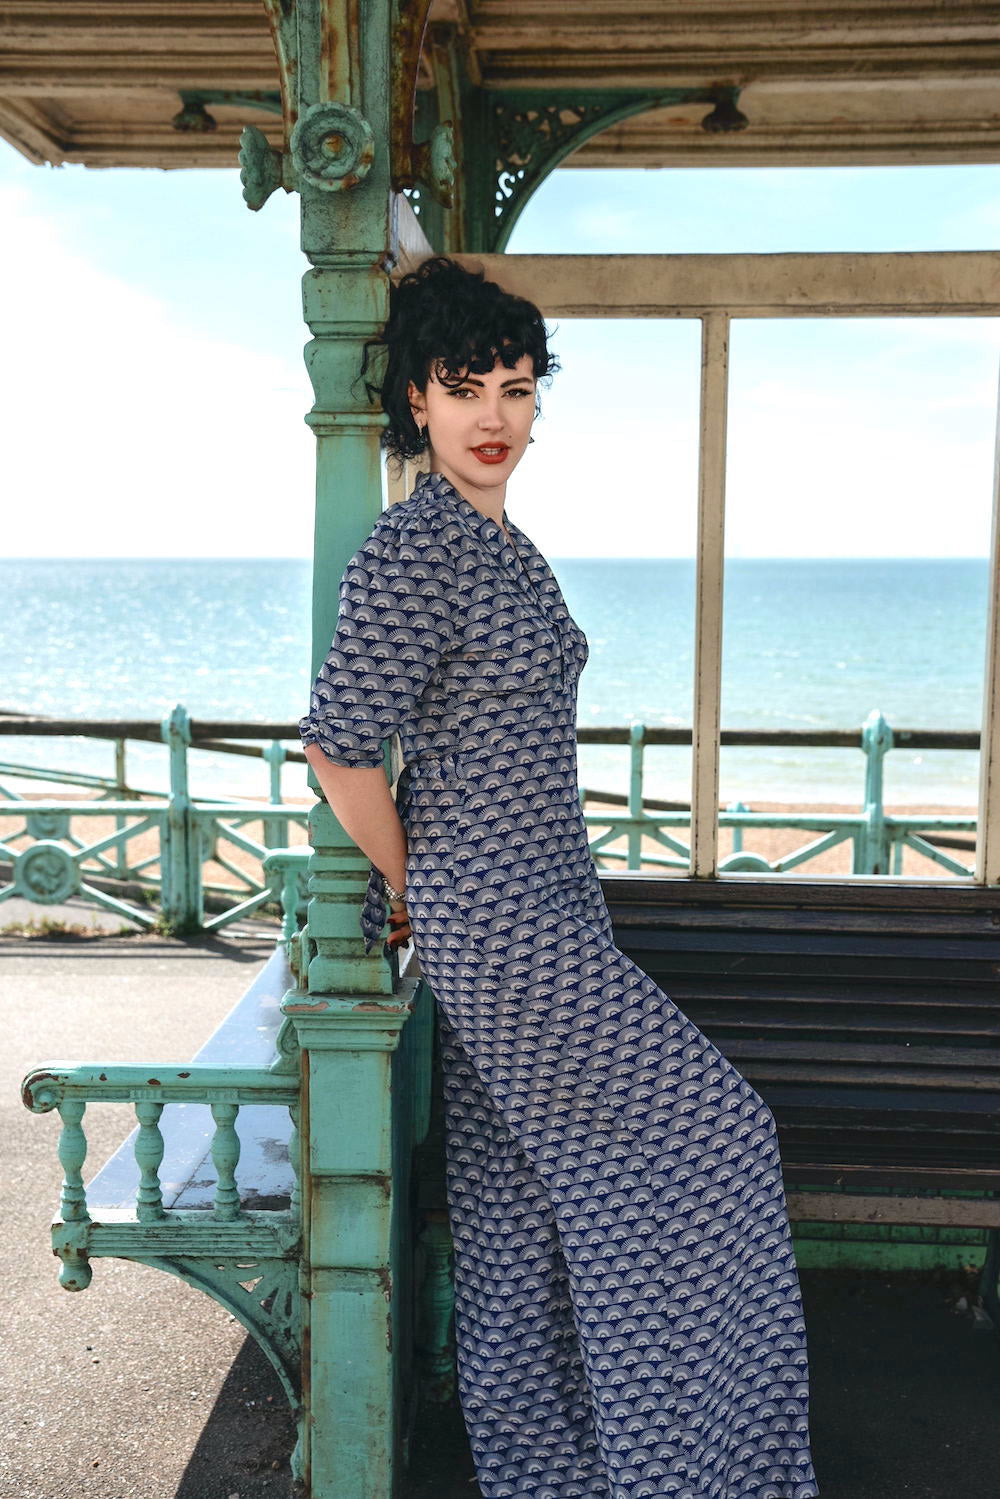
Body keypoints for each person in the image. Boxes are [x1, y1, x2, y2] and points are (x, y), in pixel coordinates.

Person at [299, 256, 820, 1499]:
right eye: (462, 385)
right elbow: (335, 746)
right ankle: (699, 1473)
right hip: (501, 923)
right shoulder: (416, 544)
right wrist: (422, 880)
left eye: (516, 388)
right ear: (414, 401)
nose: (493, 415)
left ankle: (558, 1474)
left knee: (520, 1209)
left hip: (541, 907)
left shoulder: (499, 543)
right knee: (720, 1138)